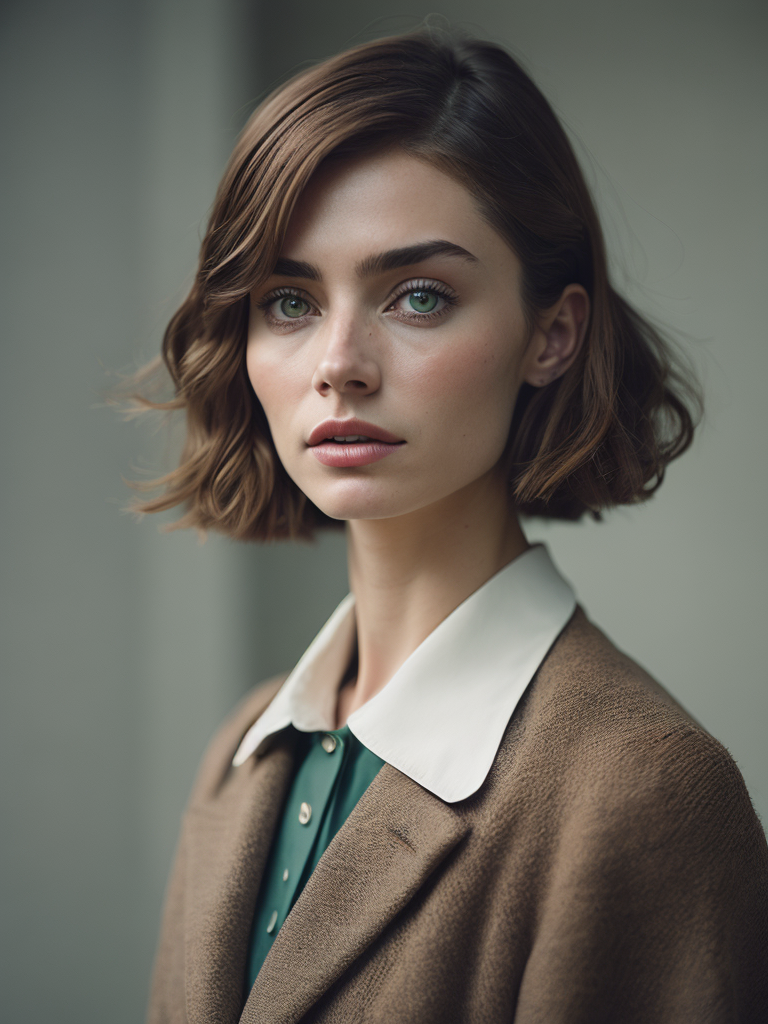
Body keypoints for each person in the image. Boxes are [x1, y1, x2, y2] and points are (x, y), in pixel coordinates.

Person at [135, 28, 768, 1024]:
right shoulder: (245, 755)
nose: (339, 361)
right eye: (289, 299)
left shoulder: (644, 792)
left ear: (551, 334)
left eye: (418, 295)